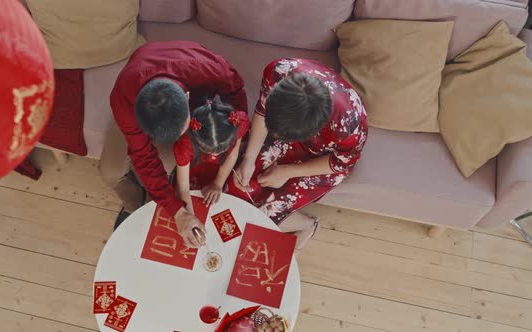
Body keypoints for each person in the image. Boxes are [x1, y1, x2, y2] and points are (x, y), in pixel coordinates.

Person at [103, 41, 247, 248]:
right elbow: (143, 157)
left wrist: (233, 134)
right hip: (138, 95)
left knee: (174, 166)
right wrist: (178, 212)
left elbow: (236, 91)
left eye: (181, 130)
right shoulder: (122, 101)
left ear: (187, 97)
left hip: (192, 96)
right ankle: (133, 205)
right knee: (110, 172)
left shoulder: (209, 68)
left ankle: (154, 200)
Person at [228, 58, 368, 250]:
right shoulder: (278, 72)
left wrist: (286, 172)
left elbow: (339, 164)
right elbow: (262, 110)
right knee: (236, 191)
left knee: (264, 214)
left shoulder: (349, 124)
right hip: (286, 126)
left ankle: (307, 225)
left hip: (321, 158)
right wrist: (249, 159)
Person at [173, 100, 249, 212]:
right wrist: (190, 216)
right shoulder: (185, 145)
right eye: (208, 150)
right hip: (194, 166)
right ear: (196, 141)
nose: (215, 154)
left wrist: (218, 183)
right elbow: (183, 188)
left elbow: (232, 156)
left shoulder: (238, 124)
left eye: (223, 149)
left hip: (223, 165)